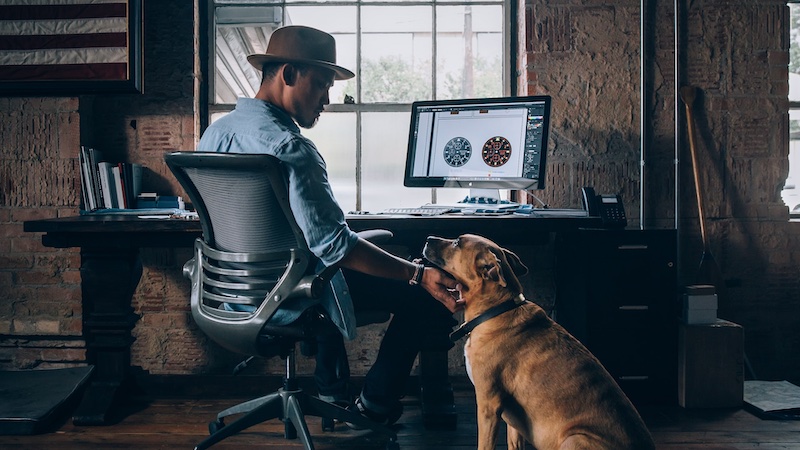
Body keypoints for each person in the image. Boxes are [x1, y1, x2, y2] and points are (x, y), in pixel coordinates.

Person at [197, 25, 463, 426]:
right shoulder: (292, 149)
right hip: (289, 294)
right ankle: (375, 405)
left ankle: (330, 393)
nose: (326, 99)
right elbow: (336, 246)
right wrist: (418, 274)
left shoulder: (213, 136)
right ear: (287, 75)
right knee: (426, 290)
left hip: (232, 292)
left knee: (357, 265)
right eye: (321, 84)